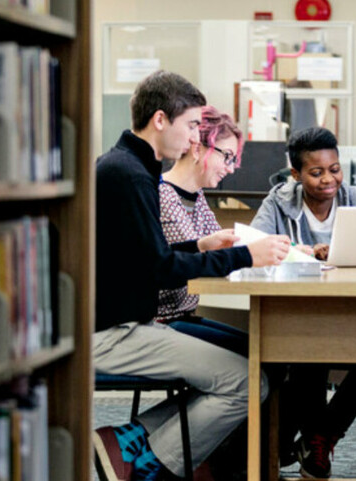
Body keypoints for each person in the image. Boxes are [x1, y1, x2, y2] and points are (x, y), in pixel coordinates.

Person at [93, 70, 291, 481]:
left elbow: (148, 259)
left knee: (248, 373)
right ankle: (154, 469)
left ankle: (131, 441)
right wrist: (243, 257)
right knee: (246, 382)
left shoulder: (129, 167)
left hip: (125, 324)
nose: (194, 138)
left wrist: (200, 247)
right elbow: (161, 271)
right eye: (191, 126)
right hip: (114, 333)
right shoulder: (129, 175)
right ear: (161, 120)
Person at [250, 126, 356, 479]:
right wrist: (307, 252)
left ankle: (322, 436)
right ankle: (314, 448)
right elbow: (254, 245)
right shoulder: (278, 202)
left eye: (335, 169)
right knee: (307, 357)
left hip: (355, 312)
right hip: (298, 315)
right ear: (296, 175)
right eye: (316, 172)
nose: (329, 180)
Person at [156, 105, 248, 357]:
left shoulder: (195, 196)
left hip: (182, 316)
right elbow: (199, 262)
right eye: (227, 156)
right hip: (161, 324)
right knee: (257, 352)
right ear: (197, 149)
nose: (229, 168)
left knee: (263, 347)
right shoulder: (164, 195)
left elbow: (222, 246)